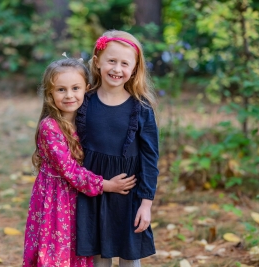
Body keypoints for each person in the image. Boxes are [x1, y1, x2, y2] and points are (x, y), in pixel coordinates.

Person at [22, 58, 136, 267]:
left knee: (78, 251)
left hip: (81, 199)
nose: (69, 95)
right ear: (50, 94)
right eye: (61, 90)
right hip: (57, 199)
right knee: (58, 251)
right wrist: (106, 185)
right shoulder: (51, 127)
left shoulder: (86, 119)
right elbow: (70, 171)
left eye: (76, 88)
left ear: (87, 89)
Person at [75, 30, 159, 267]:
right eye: (111, 61)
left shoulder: (141, 108)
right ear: (97, 61)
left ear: (134, 69)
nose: (117, 69)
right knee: (98, 257)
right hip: (93, 193)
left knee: (129, 258)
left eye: (125, 63)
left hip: (128, 195)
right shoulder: (83, 101)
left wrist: (146, 204)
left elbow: (150, 159)